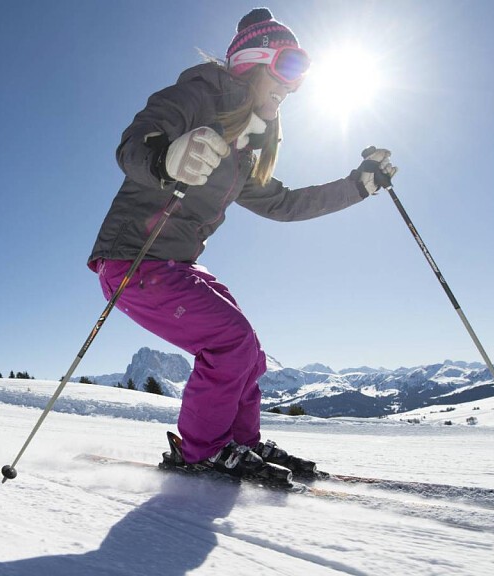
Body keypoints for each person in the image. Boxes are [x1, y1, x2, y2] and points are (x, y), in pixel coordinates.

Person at [87, 8, 398, 481]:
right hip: (133, 259)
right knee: (228, 340)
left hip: (176, 264)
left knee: (248, 351)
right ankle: (200, 450)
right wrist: (165, 158)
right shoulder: (198, 94)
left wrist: (359, 185)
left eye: (302, 75)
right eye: (291, 66)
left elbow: (284, 204)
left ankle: (239, 441)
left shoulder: (241, 150)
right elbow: (134, 144)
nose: (294, 85)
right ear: (254, 60)